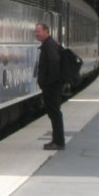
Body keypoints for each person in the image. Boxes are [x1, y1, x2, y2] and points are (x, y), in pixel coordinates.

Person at [34, 22, 65, 150]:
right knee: (54, 113)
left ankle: (58, 141)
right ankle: (57, 140)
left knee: (55, 113)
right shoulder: (48, 44)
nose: (36, 34)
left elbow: (54, 62)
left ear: (46, 31)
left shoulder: (49, 45)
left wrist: (49, 82)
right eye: (35, 32)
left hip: (51, 87)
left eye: (38, 31)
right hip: (52, 86)